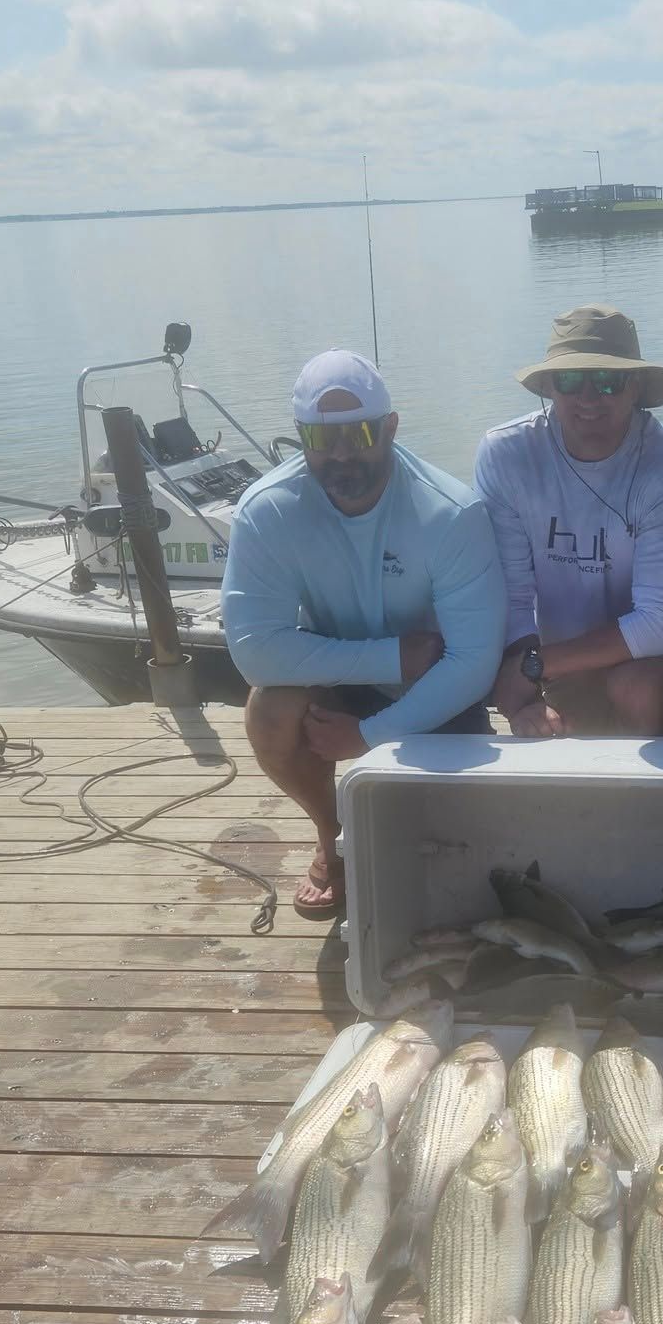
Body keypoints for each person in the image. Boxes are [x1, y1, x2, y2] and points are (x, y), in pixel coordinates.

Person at [222, 349, 507, 917]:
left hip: (438, 684)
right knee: (268, 710)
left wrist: (371, 734)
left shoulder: (451, 512)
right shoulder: (267, 511)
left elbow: (474, 661)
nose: (342, 454)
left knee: (453, 854)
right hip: (366, 668)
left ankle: (380, 832)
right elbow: (255, 651)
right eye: (322, 438)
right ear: (300, 437)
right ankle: (334, 841)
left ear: (392, 427)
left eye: (360, 432)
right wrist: (392, 659)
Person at [475, 305, 663, 736]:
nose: (589, 398)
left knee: (635, 688)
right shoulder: (505, 455)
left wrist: (537, 665)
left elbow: (657, 625)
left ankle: (659, 798)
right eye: (571, 380)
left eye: (609, 380)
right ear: (549, 387)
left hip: (644, 658)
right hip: (550, 653)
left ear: (635, 387)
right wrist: (523, 690)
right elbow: (514, 597)